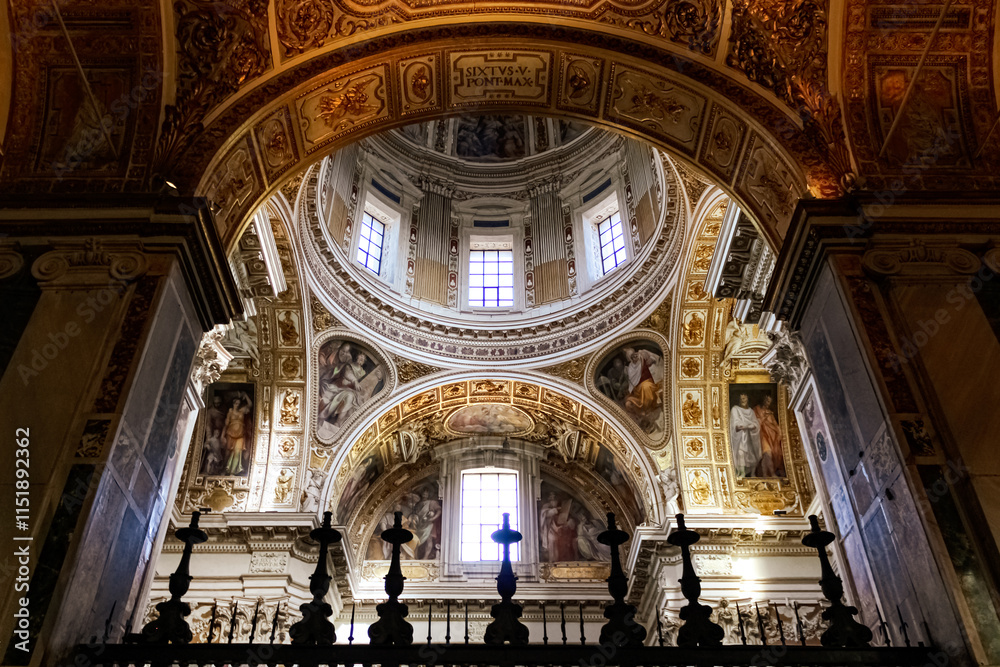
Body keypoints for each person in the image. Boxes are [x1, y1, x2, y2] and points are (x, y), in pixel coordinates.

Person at [730, 393, 761, 477]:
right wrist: (744, 426)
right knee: (741, 453)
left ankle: (752, 473)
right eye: (741, 399)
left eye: (744, 398)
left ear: (747, 399)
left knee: (752, 455)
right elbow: (735, 422)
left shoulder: (751, 411)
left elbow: (756, 424)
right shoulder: (735, 409)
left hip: (750, 437)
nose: (742, 400)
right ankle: (742, 473)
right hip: (741, 437)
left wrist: (750, 426)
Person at [753, 394, 785, 477]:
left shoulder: (770, 412)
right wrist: (763, 418)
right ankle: (771, 473)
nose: (767, 403)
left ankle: (766, 474)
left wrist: (779, 431)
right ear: (763, 400)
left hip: (771, 436)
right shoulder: (757, 409)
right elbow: (754, 422)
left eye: (769, 402)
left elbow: (775, 424)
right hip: (761, 435)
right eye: (767, 400)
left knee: (769, 455)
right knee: (767, 453)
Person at [223, 392, 252, 476]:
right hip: (230, 433)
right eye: (236, 403)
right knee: (228, 452)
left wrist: (245, 395)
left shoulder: (242, 411)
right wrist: (222, 435)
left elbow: (250, 404)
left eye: (239, 404)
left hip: (240, 434)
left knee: (238, 451)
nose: (237, 405)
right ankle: (225, 468)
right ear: (233, 403)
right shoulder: (230, 411)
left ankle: (232, 472)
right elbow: (226, 424)